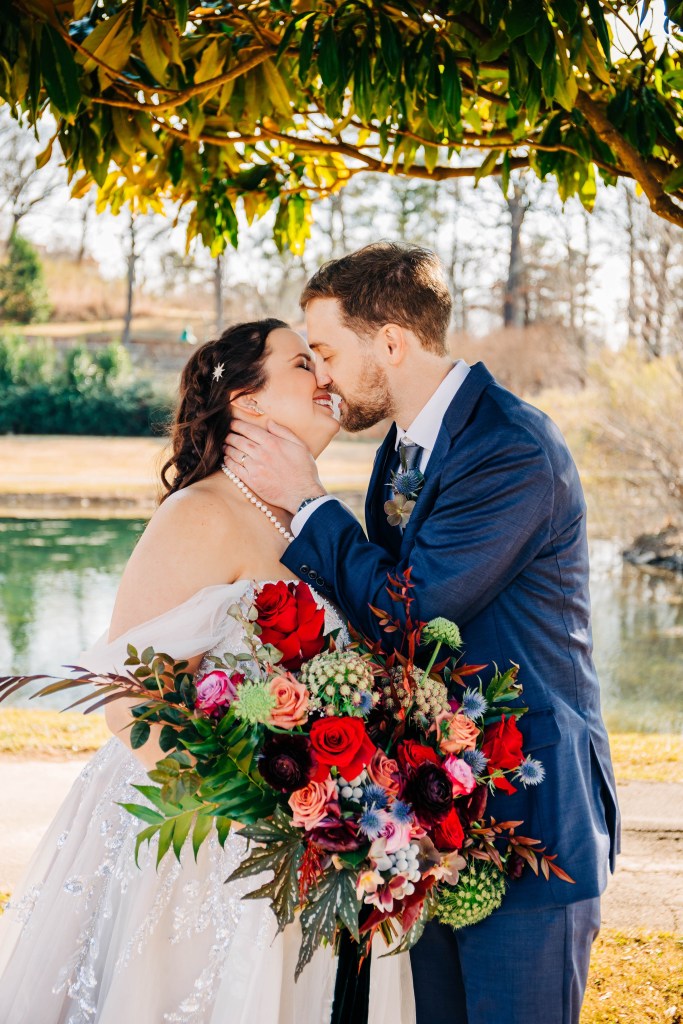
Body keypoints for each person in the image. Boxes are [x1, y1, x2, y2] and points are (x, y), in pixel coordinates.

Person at [224, 243, 621, 1024]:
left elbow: (412, 612)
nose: (322, 377)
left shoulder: (510, 448)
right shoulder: (399, 449)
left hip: (533, 816)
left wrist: (307, 501)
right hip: (434, 818)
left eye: (327, 352)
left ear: (391, 342)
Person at [0, 319, 414, 1024]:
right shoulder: (199, 512)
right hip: (202, 841)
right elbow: (130, 705)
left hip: (308, 833)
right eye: (301, 364)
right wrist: (258, 814)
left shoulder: (312, 519)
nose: (325, 377)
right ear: (247, 402)